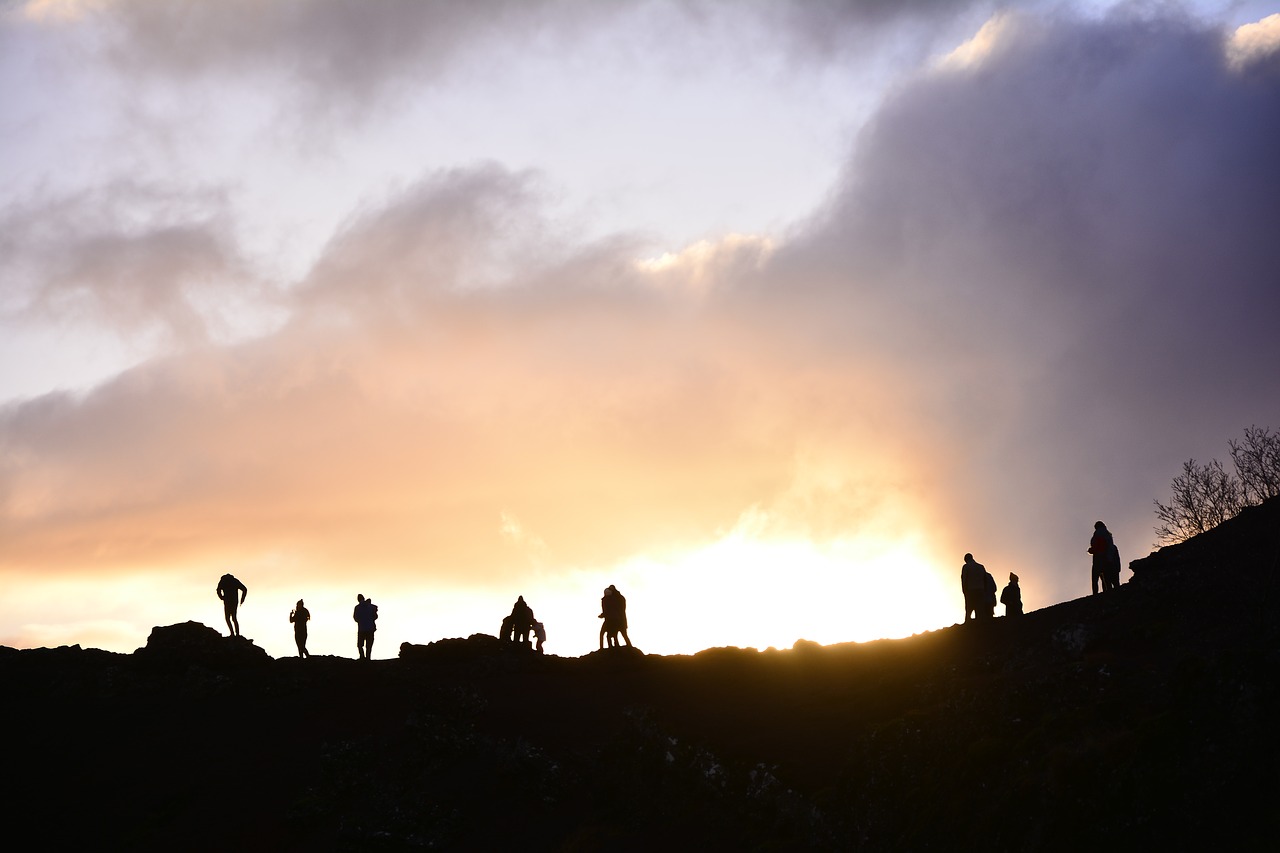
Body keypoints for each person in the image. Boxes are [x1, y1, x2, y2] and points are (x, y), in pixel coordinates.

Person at [1089, 521, 1121, 593]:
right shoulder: (1110, 540)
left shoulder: (1097, 535)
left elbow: (1096, 547)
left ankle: (1096, 596)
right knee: (1110, 580)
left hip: (1100, 560)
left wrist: (1091, 550)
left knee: (1096, 579)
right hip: (1109, 561)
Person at [599, 584, 632, 648]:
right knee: (617, 635)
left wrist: (604, 614)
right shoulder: (617, 598)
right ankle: (624, 647)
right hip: (618, 619)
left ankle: (610, 649)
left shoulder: (613, 599)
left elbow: (612, 610)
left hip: (614, 620)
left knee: (611, 635)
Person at [216, 573, 247, 637]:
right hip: (233, 601)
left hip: (228, 601)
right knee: (233, 618)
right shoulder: (234, 581)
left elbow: (218, 590)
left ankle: (233, 633)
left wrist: (222, 597)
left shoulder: (223, 581)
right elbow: (244, 589)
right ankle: (236, 634)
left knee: (228, 618)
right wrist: (242, 599)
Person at [960, 554, 986, 623]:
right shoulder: (981, 567)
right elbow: (985, 579)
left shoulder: (966, 567)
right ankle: (980, 625)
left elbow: (964, 580)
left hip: (970, 590)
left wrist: (964, 591)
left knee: (968, 610)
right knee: (980, 610)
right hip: (981, 590)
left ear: (966, 559)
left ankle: (968, 627)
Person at [353, 594, 378, 660]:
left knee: (360, 645)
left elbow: (355, 618)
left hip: (361, 629)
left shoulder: (357, 607)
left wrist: (361, 621)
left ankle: (362, 657)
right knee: (369, 645)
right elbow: (375, 616)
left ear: (358, 600)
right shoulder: (371, 606)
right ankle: (368, 658)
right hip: (370, 628)